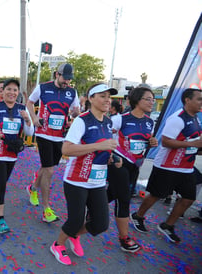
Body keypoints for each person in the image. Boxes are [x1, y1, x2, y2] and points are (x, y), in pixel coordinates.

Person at [50, 83, 117, 266]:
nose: (107, 100)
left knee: (101, 223)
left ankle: (74, 235)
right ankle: (58, 244)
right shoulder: (82, 120)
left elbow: (102, 149)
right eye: (102, 96)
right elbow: (67, 149)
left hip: (97, 180)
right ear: (91, 99)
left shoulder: (108, 122)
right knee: (75, 219)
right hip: (77, 179)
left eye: (108, 96)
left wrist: (110, 158)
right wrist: (99, 146)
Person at [130, 88, 202, 243]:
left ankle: (168, 225)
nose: (201, 102)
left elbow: (194, 142)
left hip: (186, 167)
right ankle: (138, 215)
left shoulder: (196, 118)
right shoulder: (177, 119)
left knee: (189, 199)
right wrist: (193, 143)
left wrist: (197, 146)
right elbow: (166, 141)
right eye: (199, 99)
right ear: (187, 100)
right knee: (157, 194)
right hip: (167, 165)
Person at [26, 63, 80, 223]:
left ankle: (32, 188)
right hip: (43, 133)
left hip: (60, 136)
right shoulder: (43, 88)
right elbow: (29, 102)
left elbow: (75, 110)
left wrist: (75, 113)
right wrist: (34, 118)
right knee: (49, 170)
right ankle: (46, 209)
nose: (67, 82)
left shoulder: (72, 92)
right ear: (57, 74)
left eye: (69, 80)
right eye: (65, 78)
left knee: (46, 167)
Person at [0, 79, 33, 233]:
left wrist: (27, 119)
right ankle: (0, 221)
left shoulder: (22, 109)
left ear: (17, 93)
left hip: (12, 153)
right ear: (2, 92)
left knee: (0, 182)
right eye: (8, 89)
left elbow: (30, 133)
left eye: (15, 90)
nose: (12, 92)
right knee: (1, 184)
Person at [107, 87, 158, 252]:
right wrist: (109, 155)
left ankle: (93, 207)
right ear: (137, 100)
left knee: (113, 193)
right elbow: (104, 136)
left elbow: (144, 141)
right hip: (119, 163)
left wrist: (151, 142)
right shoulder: (120, 119)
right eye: (148, 99)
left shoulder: (150, 122)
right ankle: (124, 238)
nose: (152, 102)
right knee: (124, 198)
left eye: (153, 99)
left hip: (135, 165)